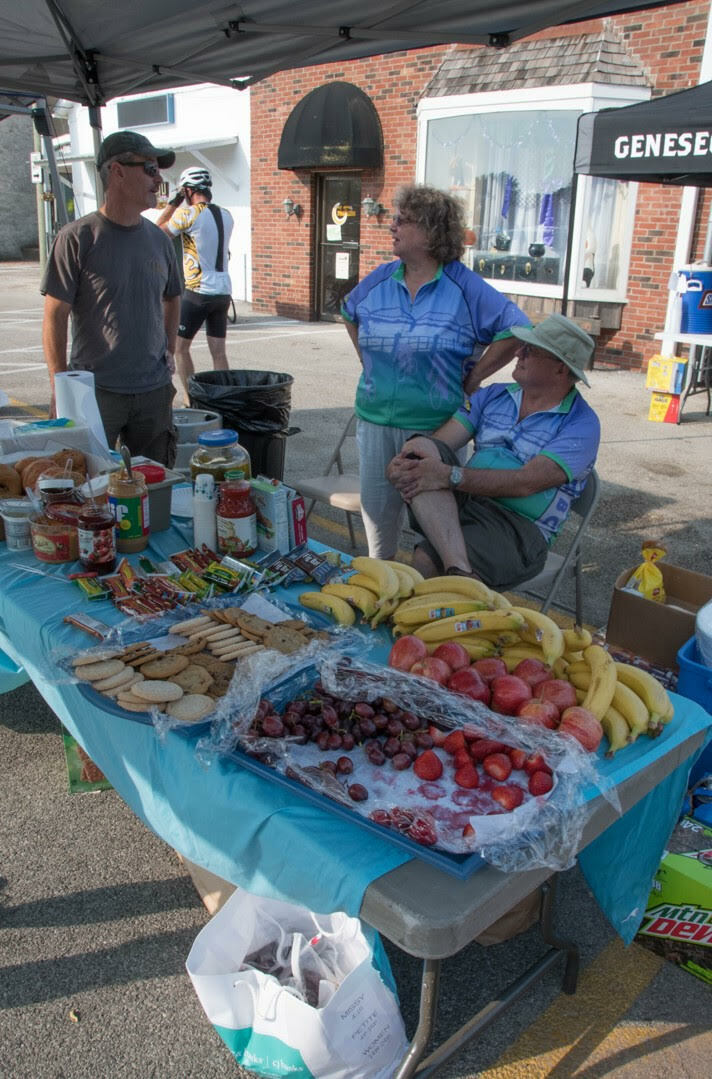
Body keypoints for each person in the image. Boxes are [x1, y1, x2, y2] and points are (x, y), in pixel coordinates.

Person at [342, 183, 530, 560]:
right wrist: (372, 363)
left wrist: (475, 378)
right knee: (380, 530)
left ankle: (436, 597)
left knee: (436, 535)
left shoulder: (463, 286)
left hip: (435, 430)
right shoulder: (380, 279)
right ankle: (385, 591)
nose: (392, 226)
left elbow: (517, 330)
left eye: (403, 221)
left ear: (431, 232)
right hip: (376, 422)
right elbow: (349, 312)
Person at [386, 314, 600, 590]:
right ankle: (461, 571)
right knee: (419, 452)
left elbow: (526, 483)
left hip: (519, 529)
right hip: (470, 504)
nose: (518, 352)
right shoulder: (494, 395)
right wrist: (404, 462)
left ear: (560, 369)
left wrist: (450, 476)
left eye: (530, 350)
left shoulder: (581, 423)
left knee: (427, 562)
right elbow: (441, 441)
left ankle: (455, 579)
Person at [41, 130, 181, 466]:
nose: (158, 178)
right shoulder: (77, 237)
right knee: (89, 491)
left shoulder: (159, 240)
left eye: (158, 170)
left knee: (155, 488)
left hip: (153, 392)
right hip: (96, 393)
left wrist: (170, 349)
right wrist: (61, 388)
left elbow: (173, 297)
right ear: (117, 171)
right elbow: (54, 317)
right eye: (149, 168)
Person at [157, 167, 234, 406]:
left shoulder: (189, 213)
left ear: (188, 191)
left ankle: (193, 400)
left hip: (198, 291)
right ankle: (224, 400)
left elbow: (157, 231)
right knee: (218, 352)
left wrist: (174, 202)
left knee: (180, 348)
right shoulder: (226, 214)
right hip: (223, 291)